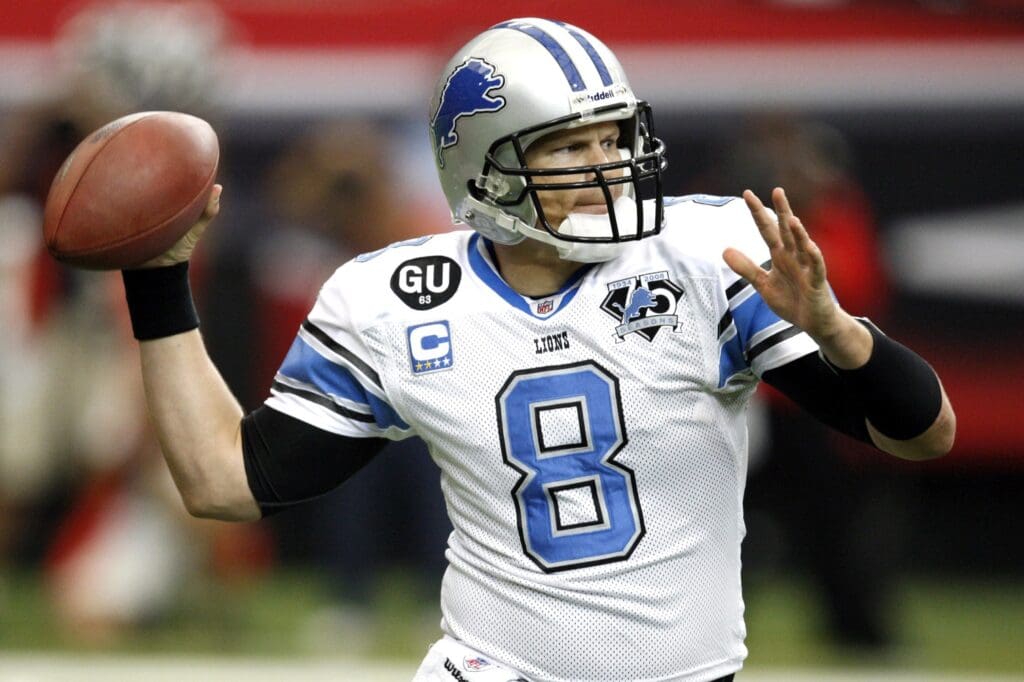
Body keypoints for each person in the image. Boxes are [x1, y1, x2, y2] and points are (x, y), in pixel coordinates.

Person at [116, 18, 955, 682]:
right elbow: (227, 483)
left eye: (614, 137)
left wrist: (837, 329)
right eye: (569, 146)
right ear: (483, 169)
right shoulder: (396, 300)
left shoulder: (708, 255)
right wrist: (159, 281)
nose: (609, 167)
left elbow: (925, 432)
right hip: (492, 669)